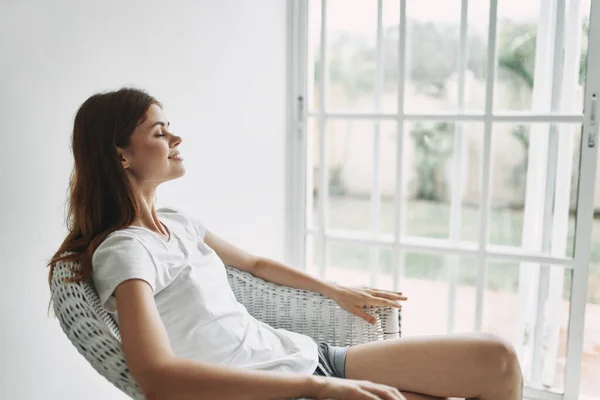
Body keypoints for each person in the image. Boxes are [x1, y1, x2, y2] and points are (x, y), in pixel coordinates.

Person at [48, 87, 523, 400]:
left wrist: (335, 289)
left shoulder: (179, 223)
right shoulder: (127, 251)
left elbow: (256, 264)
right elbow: (155, 375)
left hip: (310, 357)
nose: (176, 136)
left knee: (496, 360)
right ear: (121, 155)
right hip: (283, 388)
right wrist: (316, 391)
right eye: (158, 130)